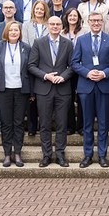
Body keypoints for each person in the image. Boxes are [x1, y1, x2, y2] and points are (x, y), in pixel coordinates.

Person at [72, 11, 109, 168]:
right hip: (86, 87)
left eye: (99, 20)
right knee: (87, 124)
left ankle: (102, 155)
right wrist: (87, 73)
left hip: (104, 86)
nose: (96, 23)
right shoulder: (81, 40)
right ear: (88, 22)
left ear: (102, 22)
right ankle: (87, 155)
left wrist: (104, 73)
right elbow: (74, 63)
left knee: (103, 123)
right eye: (93, 20)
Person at [28, 16, 74, 167]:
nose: (55, 26)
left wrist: (63, 77)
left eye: (58, 24)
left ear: (62, 26)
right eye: (52, 24)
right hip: (44, 89)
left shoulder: (68, 43)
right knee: (45, 124)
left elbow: (73, 65)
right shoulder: (38, 43)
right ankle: (46, 155)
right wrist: (46, 76)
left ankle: (60, 154)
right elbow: (31, 65)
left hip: (62, 89)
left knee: (62, 124)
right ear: (47, 25)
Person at [0, 21, 31, 167]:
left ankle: (17, 153)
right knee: (6, 123)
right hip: (3, 89)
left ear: (20, 32)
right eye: (11, 30)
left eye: (16, 30)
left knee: (19, 123)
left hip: (21, 90)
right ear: (6, 31)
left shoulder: (26, 47)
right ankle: (7, 153)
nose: (13, 32)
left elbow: (30, 70)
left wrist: (31, 91)